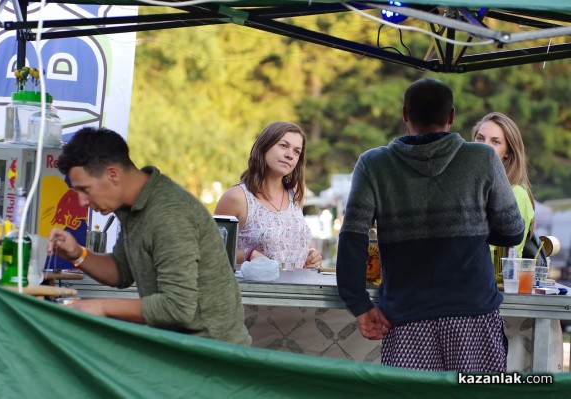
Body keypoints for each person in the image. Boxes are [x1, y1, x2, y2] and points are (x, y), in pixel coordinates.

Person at [336, 78, 525, 372]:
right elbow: (513, 232)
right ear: (451, 116)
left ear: (405, 115)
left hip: (405, 318)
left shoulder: (373, 164)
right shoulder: (482, 157)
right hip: (472, 314)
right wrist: (470, 226)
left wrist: (359, 305)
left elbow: (352, 238)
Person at [47, 127, 251, 346]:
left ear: (112, 174)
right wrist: (78, 254)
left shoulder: (168, 214)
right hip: (178, 345)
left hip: (213, 354)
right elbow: (121, 272)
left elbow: (177, 307)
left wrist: (101, 306)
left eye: (85, 189)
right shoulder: (132, 206)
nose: (81, 202)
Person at [472, 112, 563, 372]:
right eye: (480, 138)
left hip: (495, 303)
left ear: (508, 153)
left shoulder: (516, 193)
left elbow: (485, 247)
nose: (485, 146)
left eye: (495, 141)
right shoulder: (470, 187)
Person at [214, 121, 322, 269]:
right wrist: (248, 254)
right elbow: (211, 252)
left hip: (298, 290)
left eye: (297, 151)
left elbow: (295, 241)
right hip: (254, 291)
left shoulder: (296, 193)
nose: (290, 155)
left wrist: (312, 254)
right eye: (283, 146)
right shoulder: (237, 197)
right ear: (264, 146)